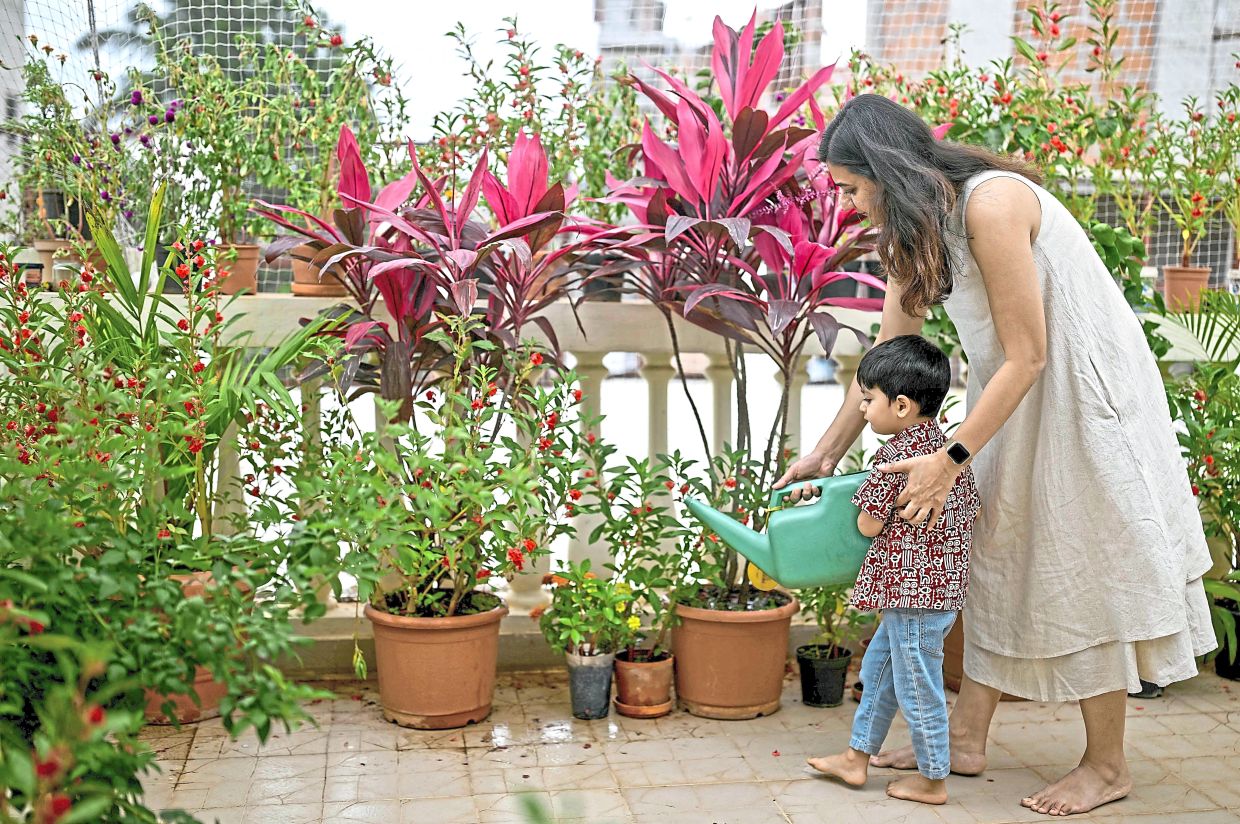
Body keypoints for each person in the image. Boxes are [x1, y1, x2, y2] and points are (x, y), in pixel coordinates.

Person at [776, 94, 1215, 818]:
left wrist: (948, 458)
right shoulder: (915, 237)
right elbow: (889, 365)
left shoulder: (993, 204)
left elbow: (1034, 352)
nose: (849, 205)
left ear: (886, 172)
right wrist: (826, 453)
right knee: (986, 550)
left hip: (1082, 397)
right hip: (1013, 396)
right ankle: (967, 737)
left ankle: (1107, 766)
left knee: (1085, 565)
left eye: (853, 189)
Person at [806, 335, 981, 806]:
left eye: (868, 400)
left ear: (901, 406)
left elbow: (867, 522)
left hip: (912, 596)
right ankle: (856, 757)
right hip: (936, 590)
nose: (862, 410)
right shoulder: (947, 452)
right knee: (879, 670)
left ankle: (933, 778)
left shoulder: (894, 458)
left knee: (918, 685)